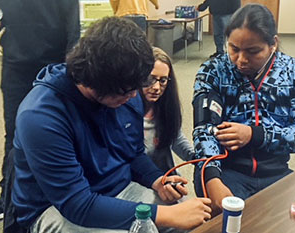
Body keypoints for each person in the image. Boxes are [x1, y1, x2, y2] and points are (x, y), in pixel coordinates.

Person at [12, 17, 211, 232]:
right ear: (95, 82)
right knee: (154, 223)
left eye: (138, 86)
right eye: (126, 91)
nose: (135, 96)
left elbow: (133, 153)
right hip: (57, 207)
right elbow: (77, 205)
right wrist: (164, 215)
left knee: (186, 213)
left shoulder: (126, 89)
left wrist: (156, 180)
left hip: (117, 188)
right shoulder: (41, 117)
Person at [192, 4, 295, 216]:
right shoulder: (213, 70)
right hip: (226, 170)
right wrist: (212, 178)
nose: (241, 60)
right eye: (233, 48)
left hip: (277, 172)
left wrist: (254, 135)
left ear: (273, 44)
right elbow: (204, 131)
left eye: (253, 51)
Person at [0, 0, 80, 221]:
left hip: (54, 67)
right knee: (14, 133)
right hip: (16, 66)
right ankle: (9, 197)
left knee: (60, 129)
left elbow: (73, 28)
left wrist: (70, 71)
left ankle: (58, 191)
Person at [141, 47, 194, 174]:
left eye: (163, 80)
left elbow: (175, 137)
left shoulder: (165, 107)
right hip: (136, 179)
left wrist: (195, 158)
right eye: (150, 79)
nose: (156, 87)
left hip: (163, 173)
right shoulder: (125, 110)